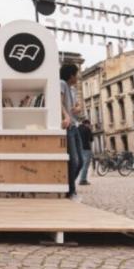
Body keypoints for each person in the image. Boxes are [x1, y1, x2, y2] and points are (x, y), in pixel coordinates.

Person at [60, 64, 83, 201]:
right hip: (67, 126)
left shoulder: (72, 89)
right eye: (76, 73)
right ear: (71, 75)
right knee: (73, 160)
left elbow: (77, 105)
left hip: (75, 126)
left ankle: (67, 185)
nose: (78, 76)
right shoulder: (62, 83)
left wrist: (77, 108)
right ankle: (70, 191)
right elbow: (59, 102)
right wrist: (66, 116)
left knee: (80, 161)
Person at [78, 119, 94, 186]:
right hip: (86, 148)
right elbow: (91, 140)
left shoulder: (77, 128)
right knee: (85, 165)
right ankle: (83, 180)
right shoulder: (87, 129)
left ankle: (80, 178)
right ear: (87, 124)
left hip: (79, 149)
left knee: (81, 164)